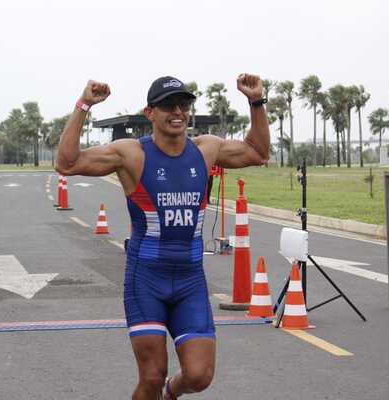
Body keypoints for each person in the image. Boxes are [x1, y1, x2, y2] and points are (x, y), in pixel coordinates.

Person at [56, 74, 270, 400]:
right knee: (152, 375)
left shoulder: (206, 150)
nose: (177, 112)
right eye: (168, 105)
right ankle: (159, 388)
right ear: (149, 112)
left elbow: (258, 152)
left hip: (190, 281)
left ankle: (171, 393)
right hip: (147, 280)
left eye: (183, 105)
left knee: (199, 376)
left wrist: (256, 102)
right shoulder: (131, 154)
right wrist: (84, 105)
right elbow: (67, 164)